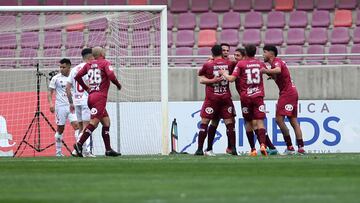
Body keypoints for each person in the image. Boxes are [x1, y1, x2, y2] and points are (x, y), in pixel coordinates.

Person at [73, 47, 122, 157]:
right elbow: (111, 75)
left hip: (91, 96)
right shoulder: (105, 63)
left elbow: (77, 76)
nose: (105, 51)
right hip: (99, 98)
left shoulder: (88, 64)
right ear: (100, 53)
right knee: (94, 123)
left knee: (106, 122)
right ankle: (79, 144)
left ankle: (108, 149)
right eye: (103, 50)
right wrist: (118, 84)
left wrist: (86, 88)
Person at [221, 44, 269, 156]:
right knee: (260, 121)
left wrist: (224, 74)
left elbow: (232, 79)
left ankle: (252, 149)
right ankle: (262, 144)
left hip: (246, 97)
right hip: (258, 96)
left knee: (248, 122)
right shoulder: (260, 63)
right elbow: (267, 72)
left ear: (245, 53)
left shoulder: (241, 64)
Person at [261, 45, 305, 155]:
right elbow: (277, 73)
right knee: (293, 121)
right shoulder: (276, 62)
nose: (263, 54)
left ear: (271, 53)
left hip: (287, 94)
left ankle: (290, 147)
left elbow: (278, 70)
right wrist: (270, 73)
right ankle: (300, 147)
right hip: (292, 92)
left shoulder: (276, 61)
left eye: (264, 52)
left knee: (279, 120)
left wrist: (265, 70)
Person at [195, 44, 237, 156]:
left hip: (212, 99)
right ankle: (233, 149)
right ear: (222, 52)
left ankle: (200, 149)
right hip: (225, 98)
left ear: (212, 53)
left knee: (205, 123)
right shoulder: (230, 63)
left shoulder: (208, 64)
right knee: (229, 123)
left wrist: (212, 80)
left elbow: (201, 79)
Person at [66, 48, 96, 157]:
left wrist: (70, 103)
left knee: (80, 128)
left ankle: (82, 151)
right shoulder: (89, 68)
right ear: (89, 57)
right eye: (93, 56)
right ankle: (79, 150)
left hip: (76, 100)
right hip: (86, 100)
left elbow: (67, 87)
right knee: (86, 127)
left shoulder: (74, 69)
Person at [47, 58, 79, 157]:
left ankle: (78, 149)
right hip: (60, 107)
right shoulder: (56, 78)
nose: (61, 69)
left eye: (63, 67)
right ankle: (58, 152)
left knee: (77, 126)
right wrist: (51, 104)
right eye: (60, 67)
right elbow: (50, 92)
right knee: (60, 129)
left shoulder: (75, 77)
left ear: (69, 67)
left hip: (72, 106)